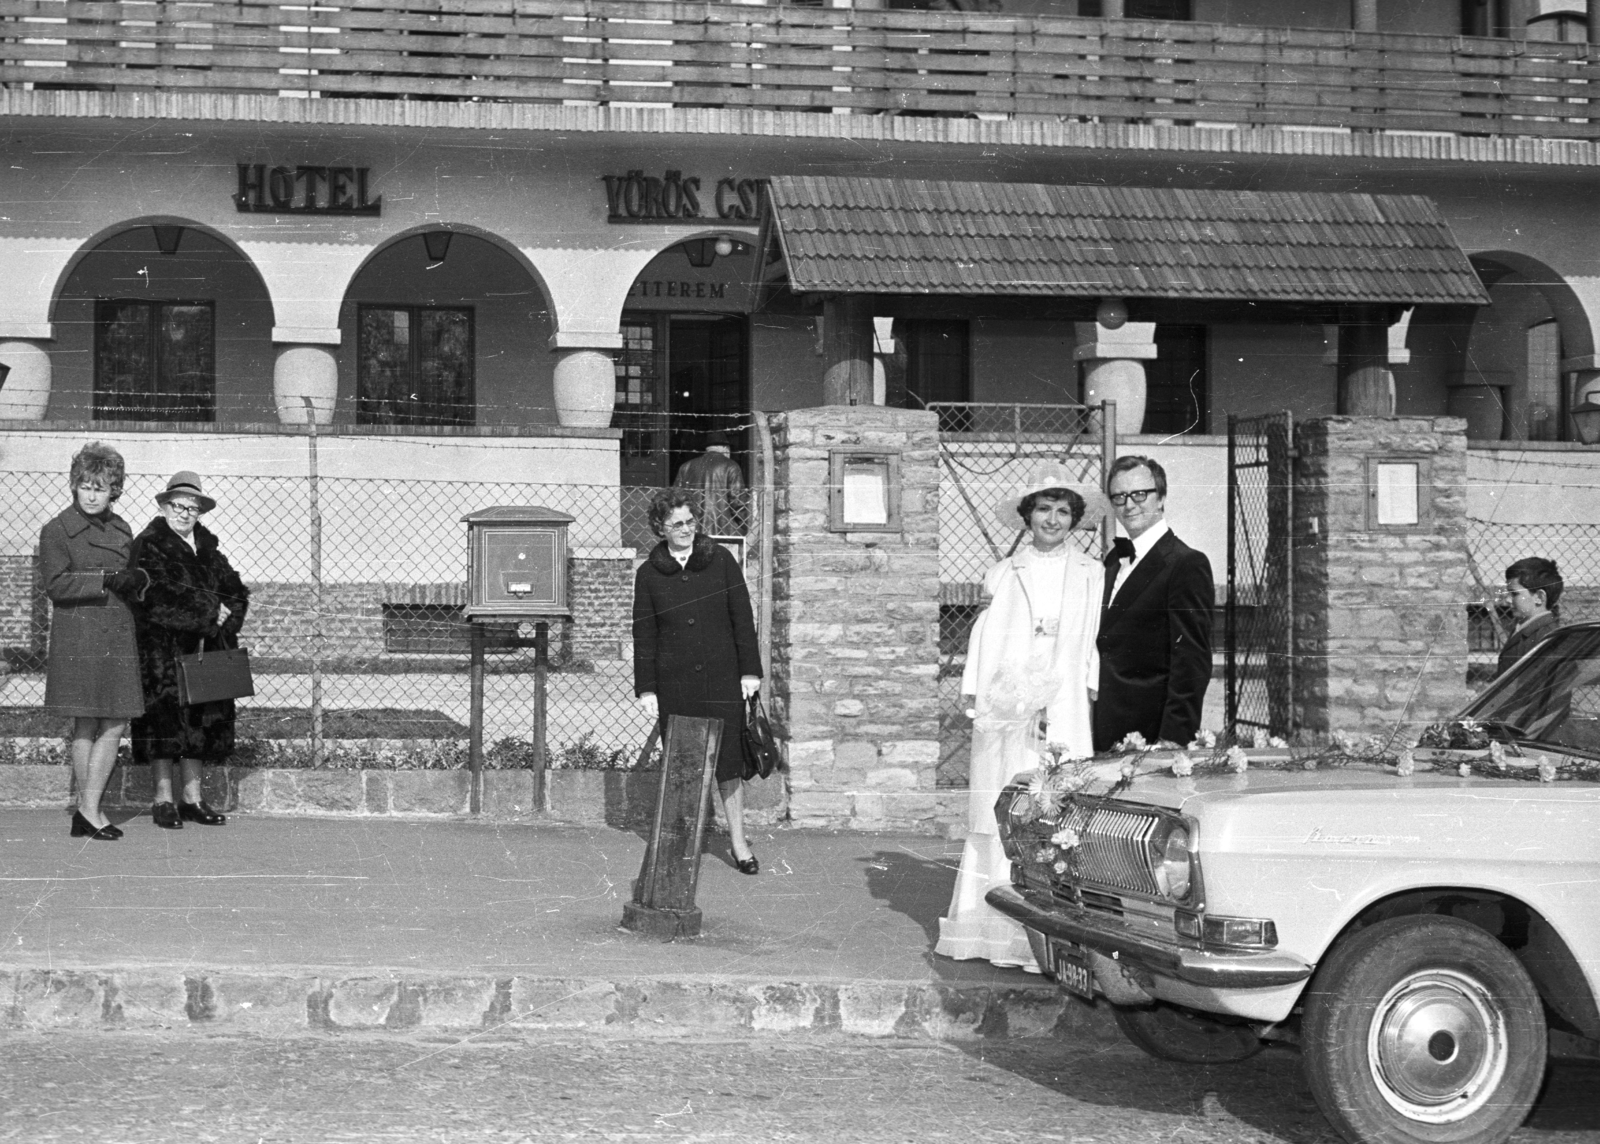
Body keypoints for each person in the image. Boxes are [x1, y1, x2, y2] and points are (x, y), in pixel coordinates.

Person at [935, 463, 1106, 968]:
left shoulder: (1091, 573)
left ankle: (1053, 944)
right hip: (1010, 712)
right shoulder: (1004, 571)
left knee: (1056, 813)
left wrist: (1078, 693)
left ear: (1074, 519)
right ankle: (991, 932)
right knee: (1004, 807)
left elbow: (1090, 641)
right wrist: (983, 696)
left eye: (1062, 511)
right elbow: (984, 639)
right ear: (1026, 516)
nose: (1052, 519)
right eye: (1043, 509)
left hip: (1064, 707)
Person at [633, 489, 764, 874]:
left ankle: (740, 845)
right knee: (683, 764)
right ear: (661, 527)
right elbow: (645, 634)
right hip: (676, 683)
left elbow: (742, 616)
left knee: (728, 764)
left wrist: (750, 671)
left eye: (691, 522)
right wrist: (647, 687)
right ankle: (678, 846)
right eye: (677, 524)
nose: (686, 529)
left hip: (723, 678)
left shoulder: (720, 561)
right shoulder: (649, 573)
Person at [128, 472, 250, 829]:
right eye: (178, 506)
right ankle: (163, 800)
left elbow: (235, 589)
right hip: (162, 649)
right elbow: (156, 596)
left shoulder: (208, 545)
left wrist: (229, 616)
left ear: (200, 513)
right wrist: (211, 611)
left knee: (199, 723)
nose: (184, 513)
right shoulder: (149, 543)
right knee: (163, 723)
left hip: (204, 648)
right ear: (165, 506)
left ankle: (192, 799)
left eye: (192, 508)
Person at [40, 442, 148, 841]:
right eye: (85, 485)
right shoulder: (56, 530)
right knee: (86, 721)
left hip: (117, 632)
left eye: (100, 487)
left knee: (116, 721)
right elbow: (54, 584)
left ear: (114, 491)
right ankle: (90, 810)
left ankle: (87, 811)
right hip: (79, 633)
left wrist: (138, 581)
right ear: (74, 485)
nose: (91, 494)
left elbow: (132, 576)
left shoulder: (121, 529)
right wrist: (104, 579)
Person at [1093, 455, 1214, 753]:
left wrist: (1173, 737)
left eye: (1139, 494)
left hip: (1150, 735)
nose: (1129, 504)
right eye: (1119, 497)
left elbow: (1191, 661)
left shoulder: (1186, 564)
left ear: (1160, 498)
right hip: (1104, 728)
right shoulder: (1112, 562)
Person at [1497, 557, 1562, 677]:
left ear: (1539, 597)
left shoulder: (1548, 637)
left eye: (1514, 593)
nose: (1507, 600)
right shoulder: (1524, 627)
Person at [672, 431, 747, 535]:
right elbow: (737, 502)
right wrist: (744, 527)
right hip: (723, 531)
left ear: (707, 449)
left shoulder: (685, 467)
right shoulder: (732, 466)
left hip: (691, 530)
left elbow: (675, 499)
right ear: (726, 449)